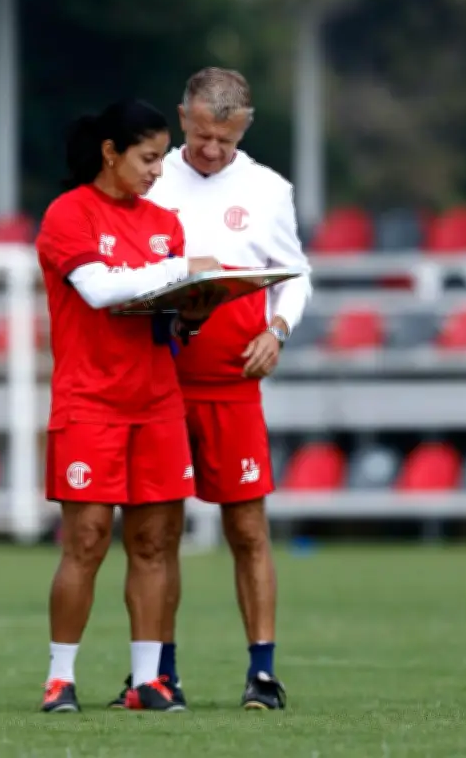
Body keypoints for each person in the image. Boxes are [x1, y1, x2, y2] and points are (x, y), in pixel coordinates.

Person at [109, 69, 312, 711]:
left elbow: (296, 275)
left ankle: (263, 675)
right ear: (183, 117)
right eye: (200, 136)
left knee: (247, 528)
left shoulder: (268, 190)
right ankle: (155, 674)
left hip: (231, 384)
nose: (211, 151)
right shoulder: (148, 176)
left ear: (243, 129)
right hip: (159, 381)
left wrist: (278, 328)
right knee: (154, 534)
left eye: (224, 139)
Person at [35, 99, 221, 713]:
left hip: (157, 402)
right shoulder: (68, 215)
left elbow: (162, 315)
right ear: (110, 153)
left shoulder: (166, 224)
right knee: (85, 541)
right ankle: (60, 679)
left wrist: (192, 309)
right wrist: (173, 271)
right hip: (90, 402)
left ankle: (148, 682)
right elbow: (97, 290)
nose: (156, 171)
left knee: (153, 543)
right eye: (147, 158)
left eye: (161, 159)